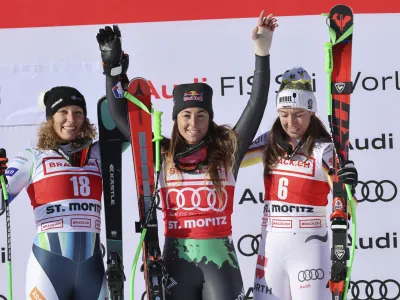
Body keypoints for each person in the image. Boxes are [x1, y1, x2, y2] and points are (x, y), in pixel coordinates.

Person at [96, 10, 278, 300]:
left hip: (222, 265)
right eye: (186, 115)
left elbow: (257, 103)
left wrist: (261, 51)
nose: (193, 123)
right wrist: (112, 69)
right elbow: (119, 114)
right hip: (175, 262)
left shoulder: (227, 152)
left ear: (210, 118)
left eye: (201, 115)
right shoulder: (161, 152)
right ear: (176, 119)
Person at [241, 67, 358, 300]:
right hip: (271, 245)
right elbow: (230, 162)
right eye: (284, 114)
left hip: (310, 248)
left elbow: (349, 206)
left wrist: (349, 186)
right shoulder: (269, 142)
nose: (290, 122)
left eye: (298, 114)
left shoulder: (323, 149)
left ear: (311, 112)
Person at [1, 87, 108, 299]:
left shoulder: (98, 152)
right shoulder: (33, 156)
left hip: (92, 268)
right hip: (48, 267)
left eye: (78, 112)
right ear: (51, 118)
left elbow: (130, 130)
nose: (71, 119)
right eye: (63, 112)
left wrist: (116, 77)